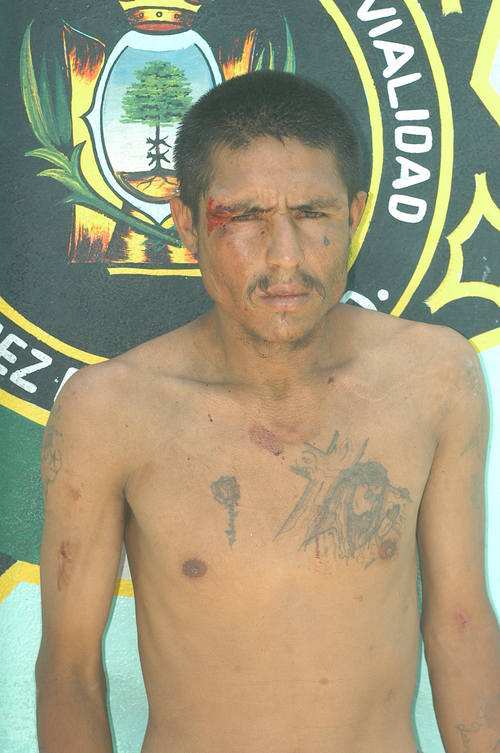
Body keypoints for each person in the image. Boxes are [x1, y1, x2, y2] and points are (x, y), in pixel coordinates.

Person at [36, 71, 499, 753]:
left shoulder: (434, 378)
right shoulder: (108, 412)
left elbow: (460, 625)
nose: (285, 257)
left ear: (354, 214)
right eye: (246, 218)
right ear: (187, 224)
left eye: (312, 214)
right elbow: (69, 672)